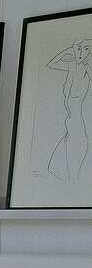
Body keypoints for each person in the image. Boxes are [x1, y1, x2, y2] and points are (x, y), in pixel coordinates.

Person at [47, 38, 92, 182]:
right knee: (57, 169)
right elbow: (52, 63)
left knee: (73, 173)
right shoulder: (71, 65)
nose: (81, 52)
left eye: (86, 48)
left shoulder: (87, 69)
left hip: (79, 126)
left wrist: (86, 61)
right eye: (78, 48)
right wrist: (69, 50)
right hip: (69, 125)